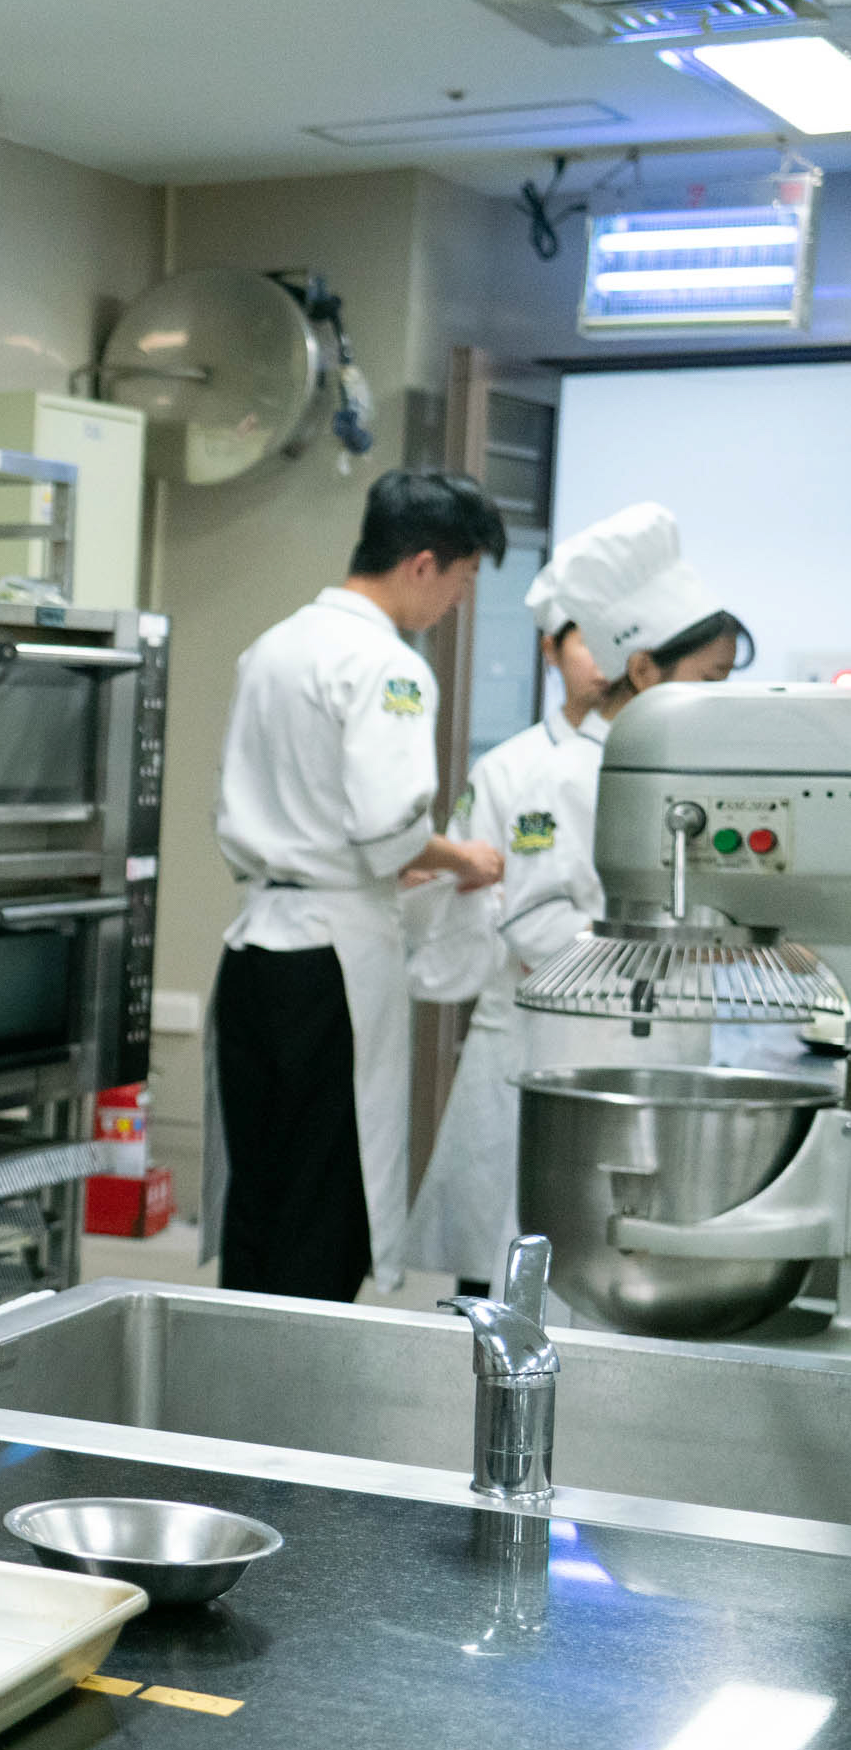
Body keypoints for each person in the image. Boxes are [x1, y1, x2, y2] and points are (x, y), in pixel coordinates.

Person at [403, 503, 746, 1293]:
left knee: (637, 1261)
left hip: (659, 1045)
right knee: (553, 1262)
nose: (719, 701)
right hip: (584, 1048)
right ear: (645, 670)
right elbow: (534, 919)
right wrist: (667, 952)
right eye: (710, 681)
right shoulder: (562, 775)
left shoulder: (680, 769)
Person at [203, 470, 509, 1304]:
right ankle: (304, 1377)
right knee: (324, 1190)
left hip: (253, 947)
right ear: (422, 564)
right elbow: (386, 829)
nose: (456, 603)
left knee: (259, 1183)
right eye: (461, 581)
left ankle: (228, 1367)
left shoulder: (272, 646)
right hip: (330, 961)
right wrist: (463, 859)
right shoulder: (387, 665)